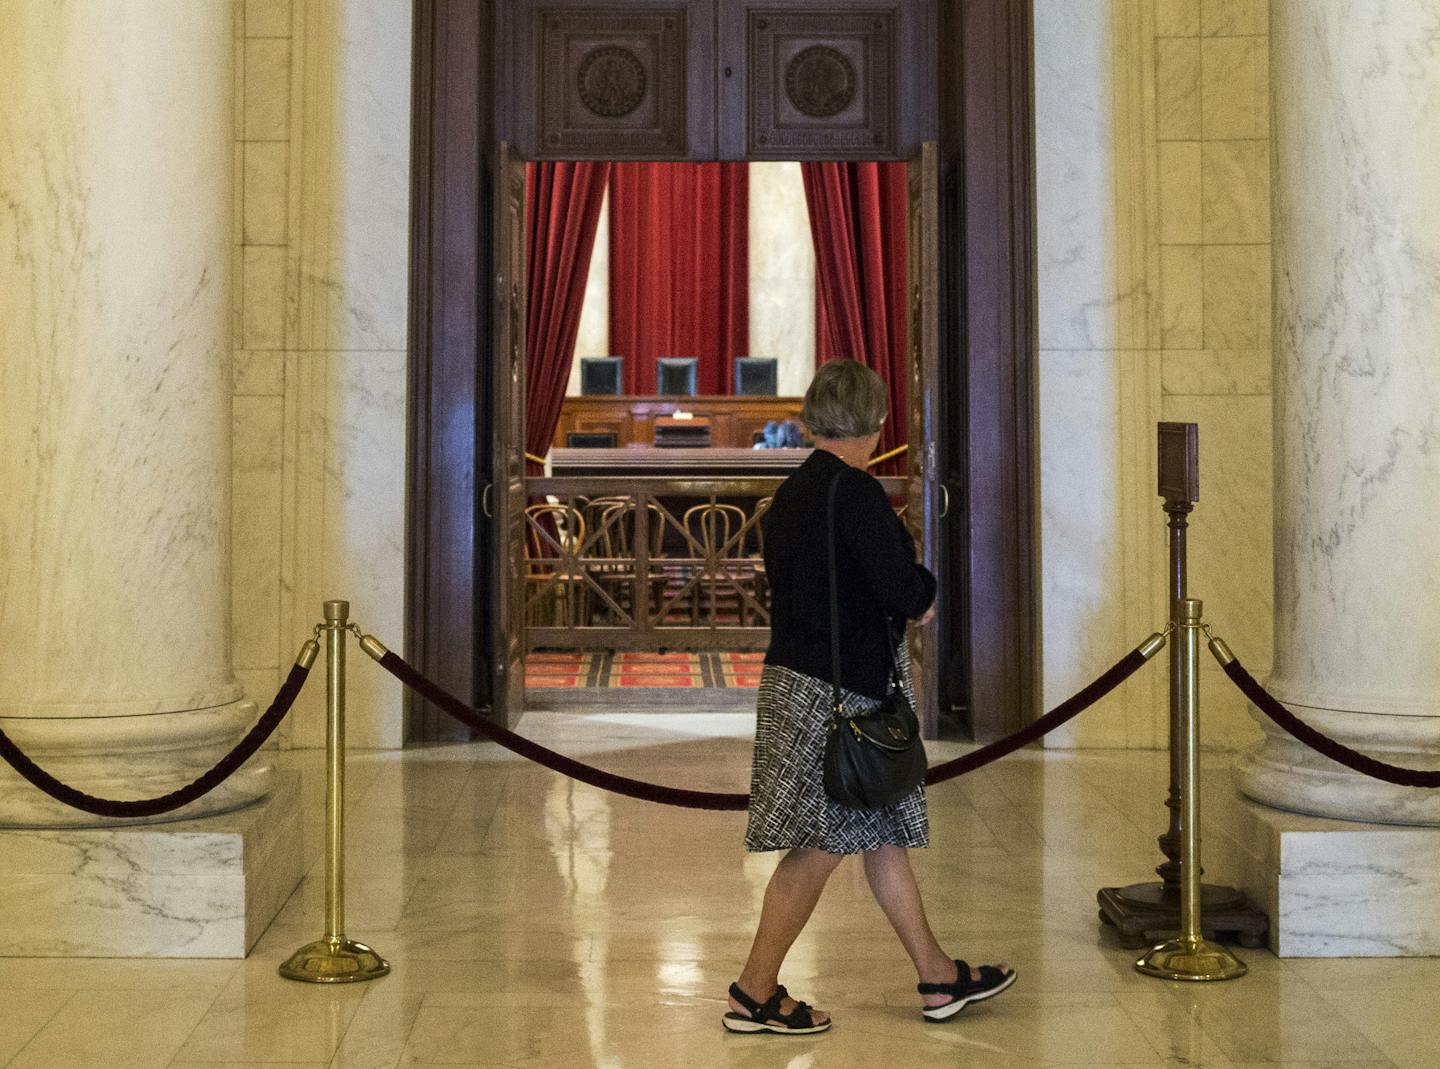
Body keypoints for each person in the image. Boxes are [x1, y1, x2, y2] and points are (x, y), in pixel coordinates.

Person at [723, 360, 1015, 1035]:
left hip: (796, 686)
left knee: (881, 839)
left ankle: (938, 975)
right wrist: (924, 593)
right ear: (879, 424)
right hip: (844, 697)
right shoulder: (855, 494)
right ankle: (753, 990)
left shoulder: (793, 494)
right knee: (821, 846)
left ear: (811, 416)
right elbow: (902, 590)